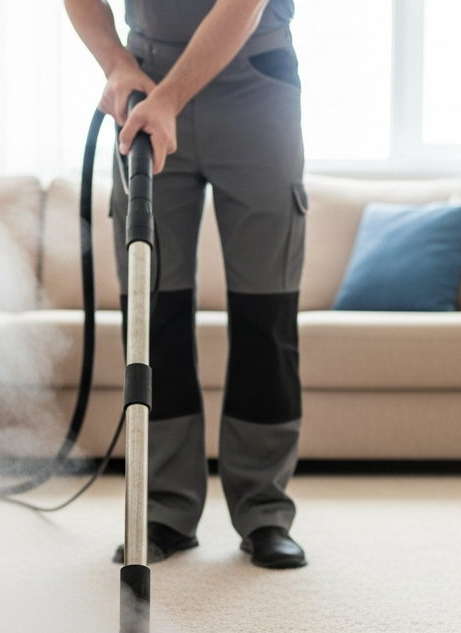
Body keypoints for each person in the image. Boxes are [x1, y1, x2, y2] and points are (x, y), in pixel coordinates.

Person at [66, 0, 308, 569]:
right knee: (154, 313)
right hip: (146, 79)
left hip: (254, 84)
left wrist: (170, 99)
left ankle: (264, 510)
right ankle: (165, 509)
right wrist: (118, 66)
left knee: (265, 311)